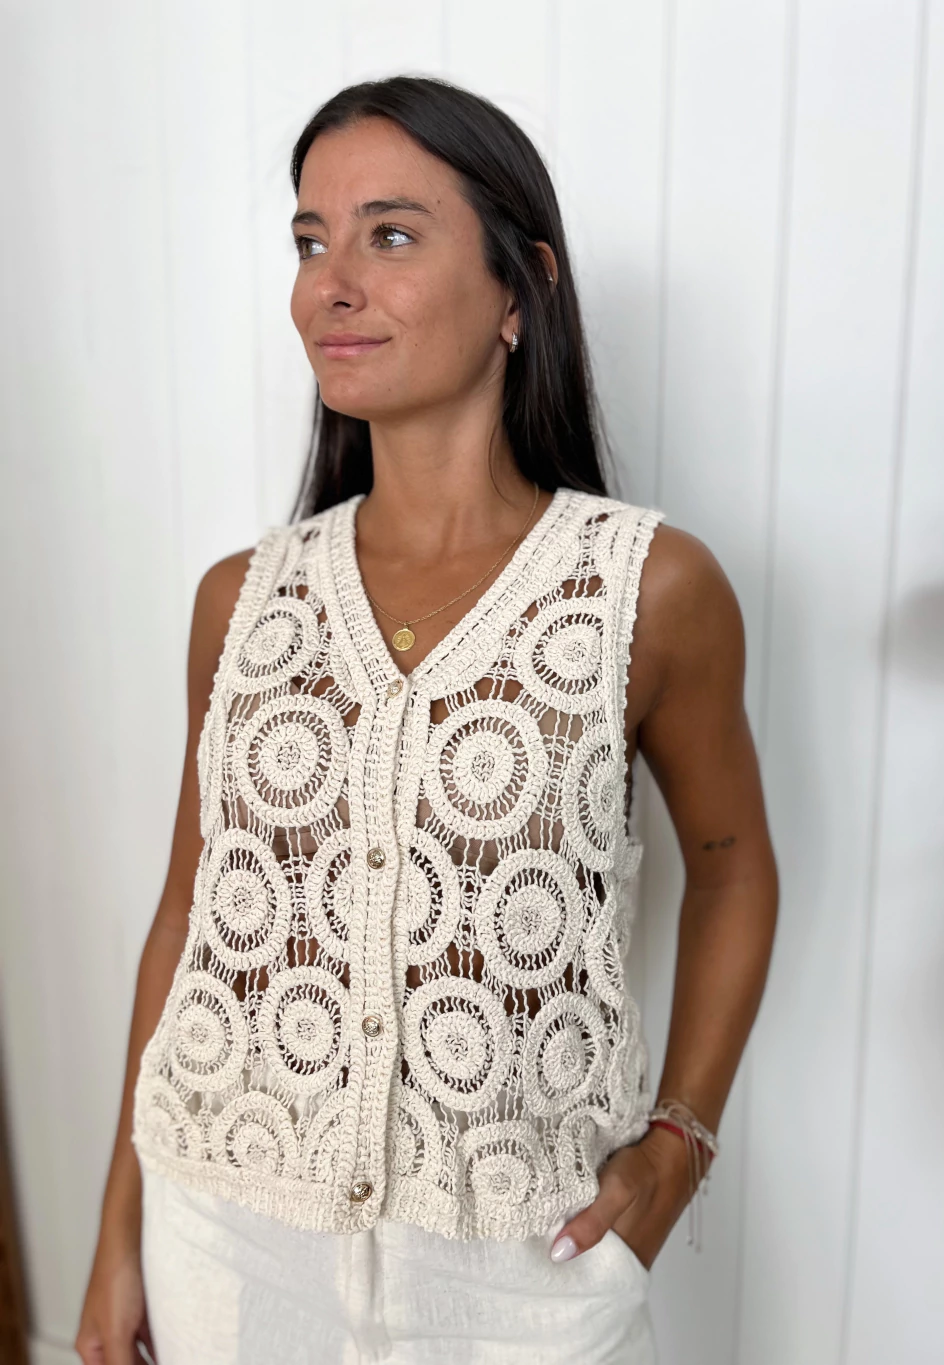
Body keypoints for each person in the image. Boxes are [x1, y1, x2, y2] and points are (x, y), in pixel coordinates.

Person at [75, 75, 779, 1365]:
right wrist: (117, 1235)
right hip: (226, 1240)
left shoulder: (648, 592)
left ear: (522, 289)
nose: (329, 286)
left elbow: (732, 869)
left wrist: (680, 1144)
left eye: (388, 235)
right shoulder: (242, 601)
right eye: (310, 242)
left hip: (524, 1264)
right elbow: (188, 917)